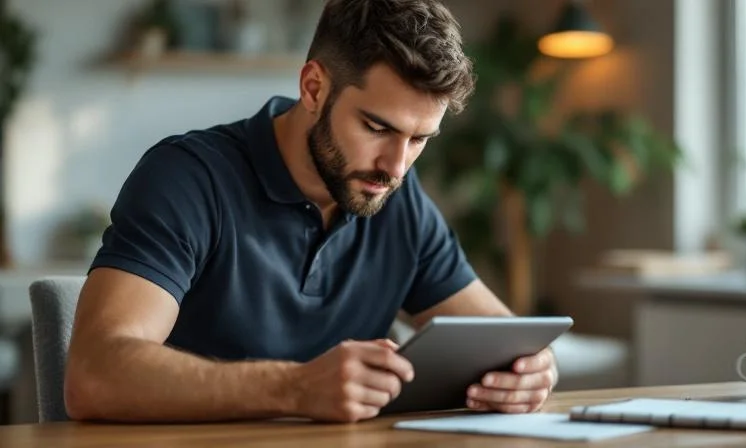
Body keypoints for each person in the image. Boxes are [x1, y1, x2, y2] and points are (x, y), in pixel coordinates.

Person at [64, 0, 558, 423]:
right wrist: (294, 387)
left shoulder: (395, 198)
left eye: (419, 140)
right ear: (314, 87)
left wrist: (533, 369)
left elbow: (506, 338)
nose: (396, 166)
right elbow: (93, 374)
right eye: (376, 127)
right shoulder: (188, 179)